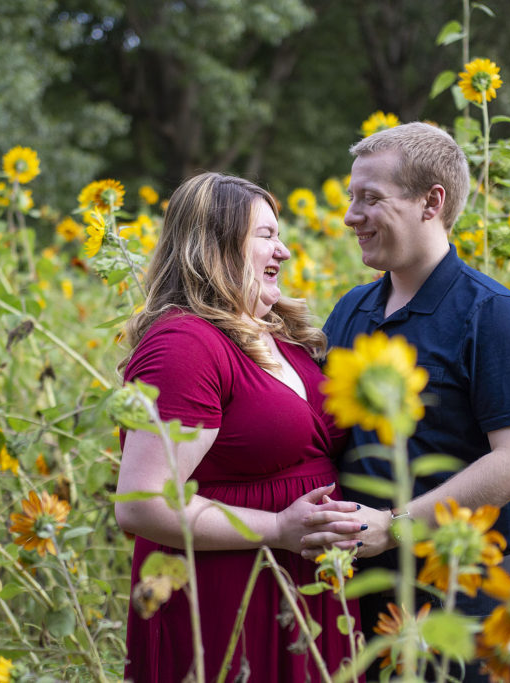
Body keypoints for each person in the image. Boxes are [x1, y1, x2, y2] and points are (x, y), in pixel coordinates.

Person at [303, 122, 510, 680]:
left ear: (430, 202)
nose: (350, 216)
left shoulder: (492, 314)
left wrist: (396, 526)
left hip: (471, 594)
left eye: (371, 199)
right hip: (369, 596)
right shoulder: (350, 311)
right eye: (351, 198)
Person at [114, 172, 363, 683]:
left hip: (307, 588)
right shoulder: (185, 344)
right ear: (215, 246)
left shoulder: (283, 338)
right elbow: (142, 503)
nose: (285, 251)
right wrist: (277, 529)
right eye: (267, 236)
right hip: (229, 594)